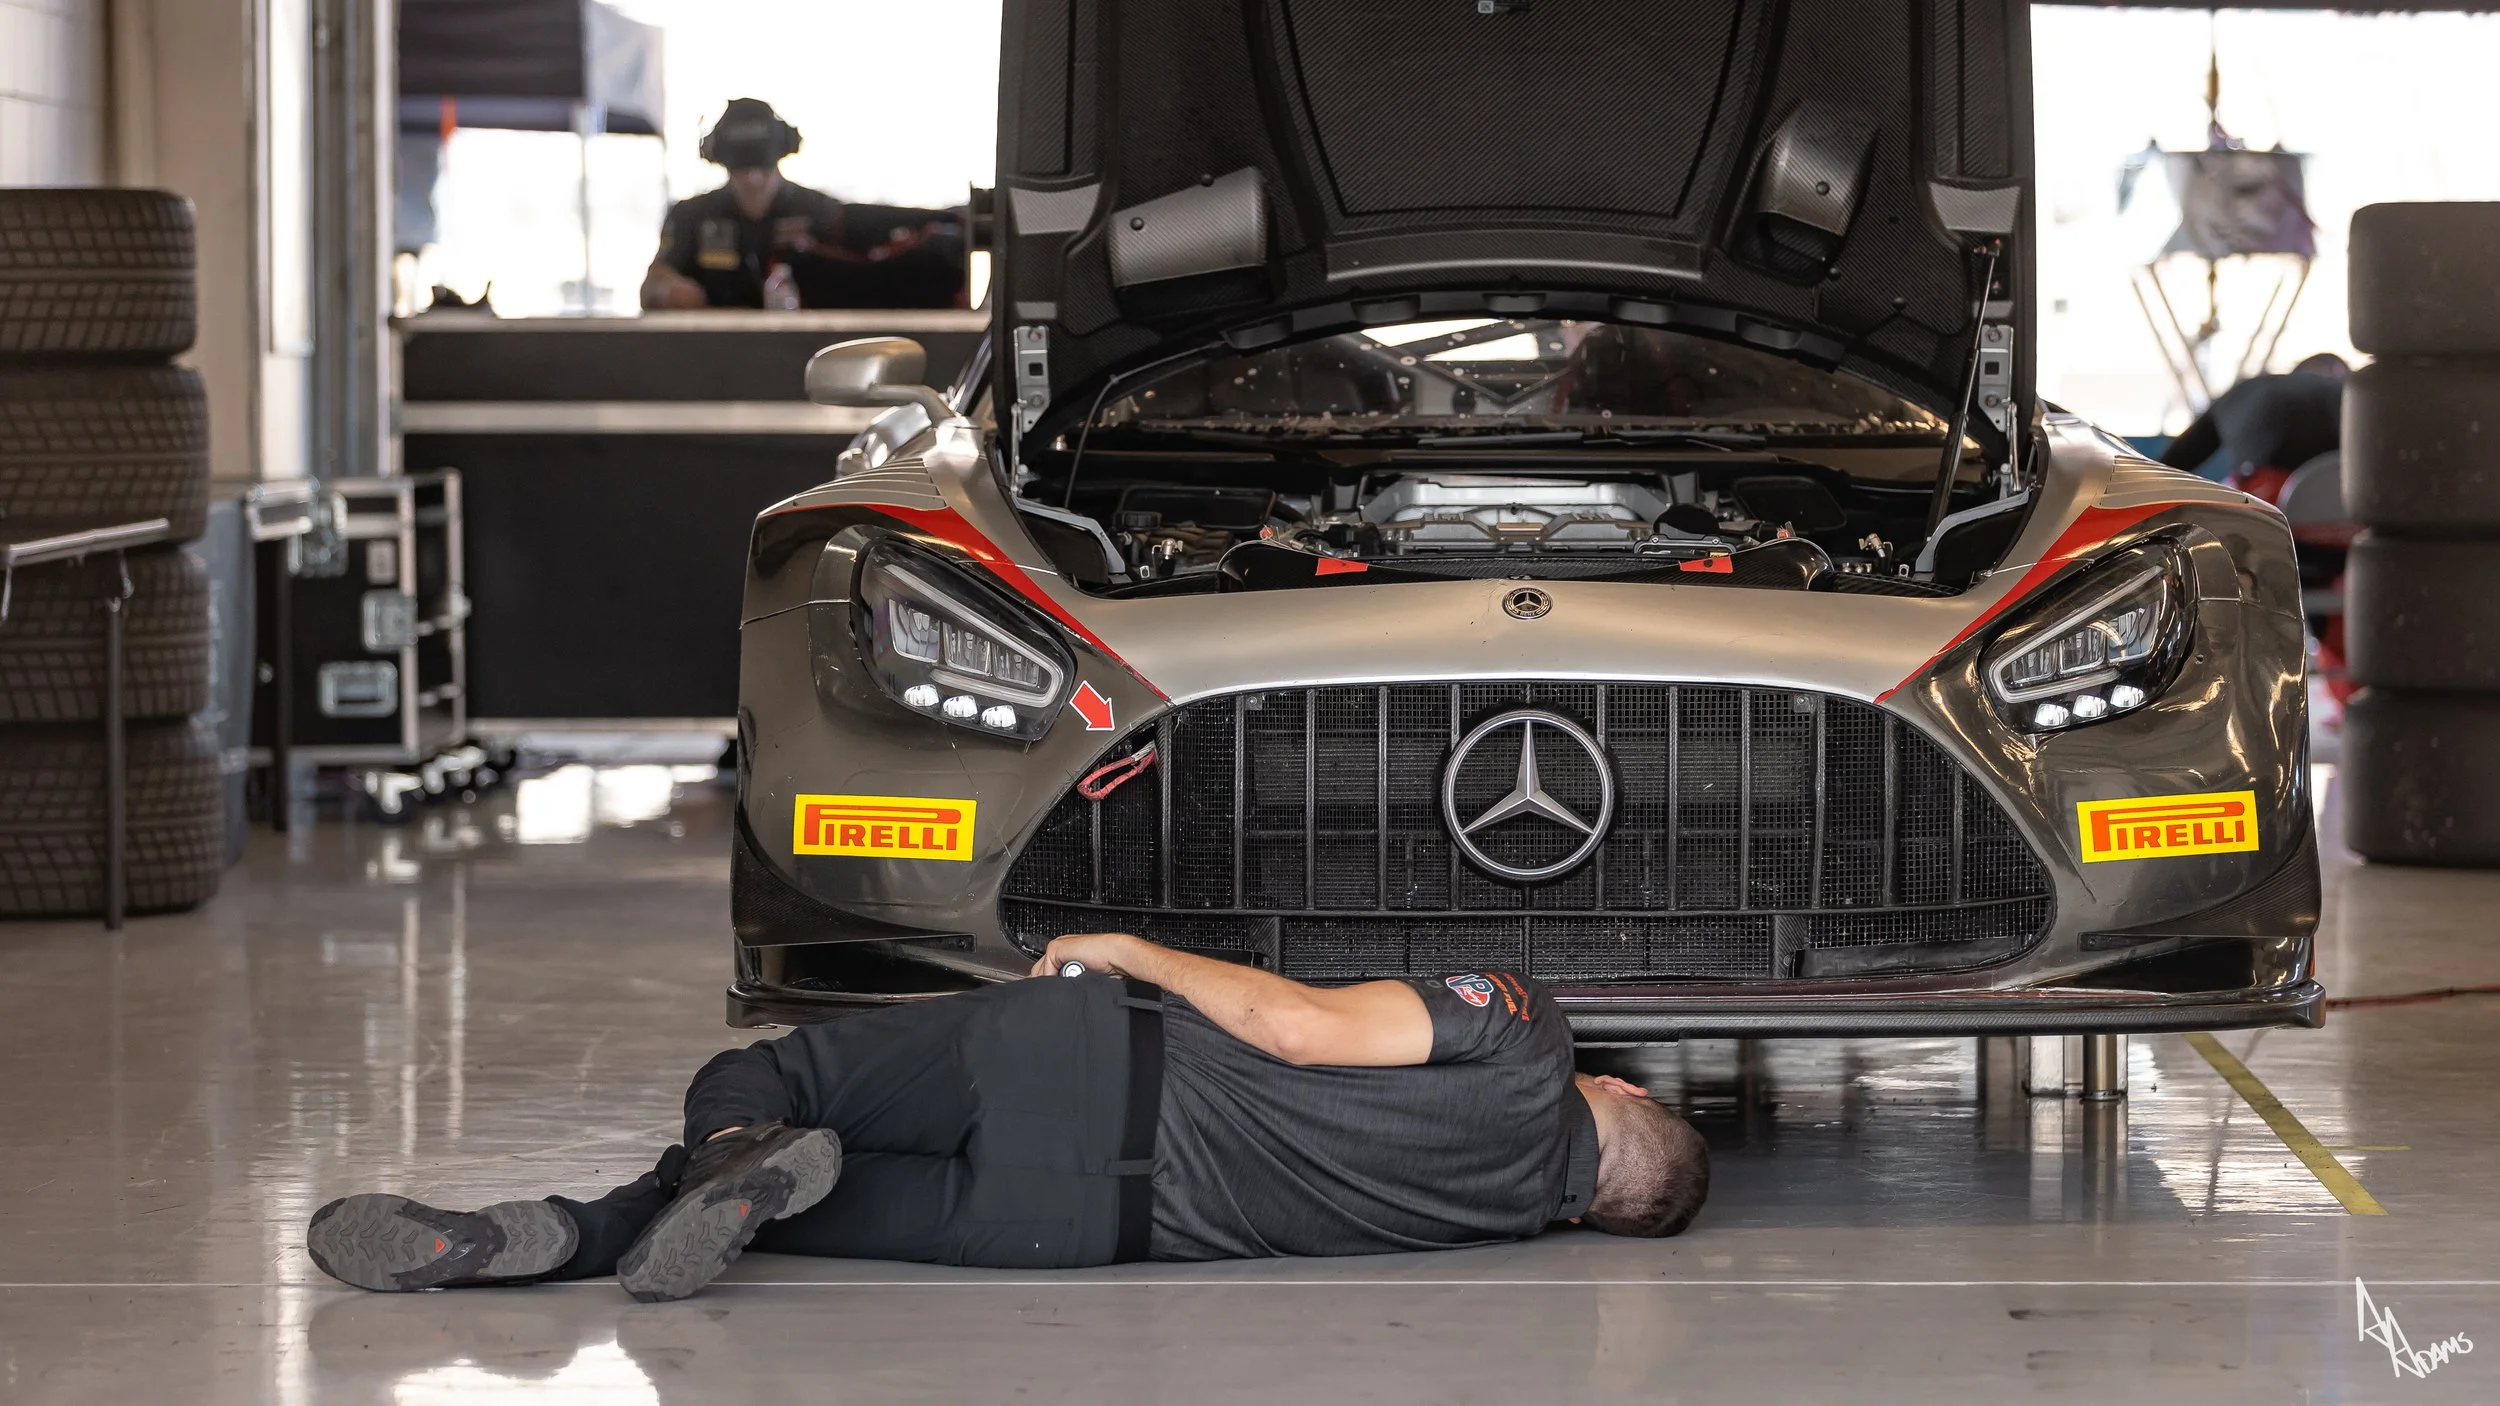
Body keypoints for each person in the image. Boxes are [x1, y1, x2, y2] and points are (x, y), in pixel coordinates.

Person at [306, 933, 1710, 1302]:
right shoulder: (1493, 1219)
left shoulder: (1528, 1037)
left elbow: (1297, 1027)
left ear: (1626, 1092)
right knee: (764, 1220)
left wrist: (1131, 949)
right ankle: (563, 1234)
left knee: (767, 1083)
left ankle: (711, 1165)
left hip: (1086, 1065)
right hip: (1074, 1223)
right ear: (1598, 1211)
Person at [640, 97, 966, 312]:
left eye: (762, 169)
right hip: (712, 353)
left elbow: (879, 245)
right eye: (742, 170)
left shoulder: (818, 211)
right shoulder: (692, 216)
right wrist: (667, 291)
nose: (753, 179)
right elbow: (651, 285)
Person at [2157, 352, 2350, 494]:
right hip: (2325, 496)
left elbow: (2174, 461)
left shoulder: (2245, 390)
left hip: (2255, 488)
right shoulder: (2346, 393)